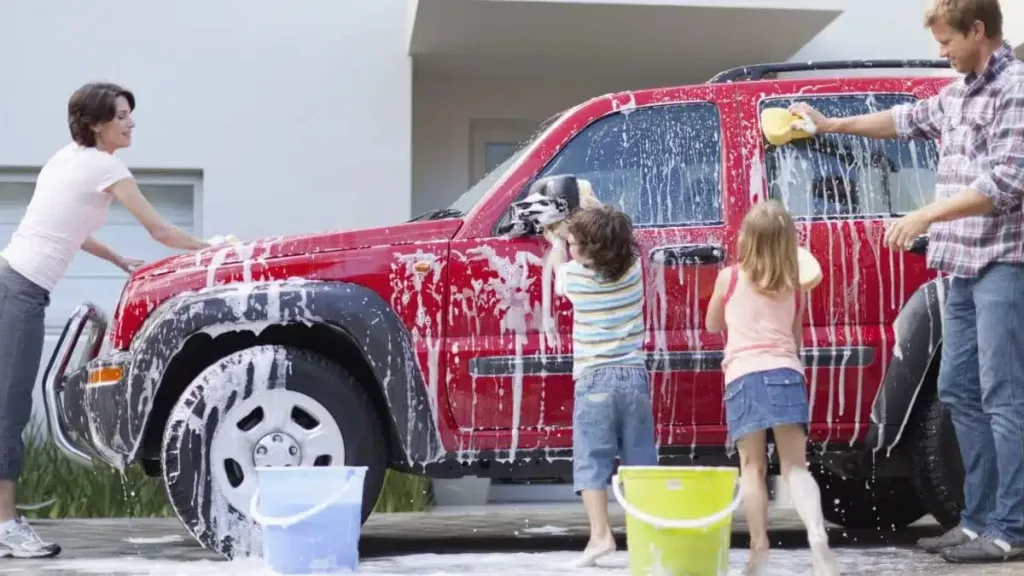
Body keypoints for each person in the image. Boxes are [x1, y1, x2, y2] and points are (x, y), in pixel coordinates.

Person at [788, 0, 1024, 563]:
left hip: (1002, 264)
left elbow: (1009, 183)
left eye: (947, 42)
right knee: (959, 394)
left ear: (977, 31)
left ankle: (1010, 529)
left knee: (1003, 398)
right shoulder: (960, 90)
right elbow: (904, 120)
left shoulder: (1014, 89)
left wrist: (923, 216)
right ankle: (974, 522)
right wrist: (830, 124)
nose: (940, 53)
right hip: (960, 266)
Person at [0, 82, 209, 558]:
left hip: (10, 280)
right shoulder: (106, 166)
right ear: (95, 123)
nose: (130, 122)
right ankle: (6, 526)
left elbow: (63, 225)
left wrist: (116, 258)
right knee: (9, 408)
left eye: (130, 113)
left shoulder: (66, 158)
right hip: (19, 292)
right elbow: (159, 228)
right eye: (120, 115)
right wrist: (214, 248)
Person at [705, 200, 838, 576]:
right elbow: (793, 339)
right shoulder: (795, 286)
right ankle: (816, 534)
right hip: (786, 373)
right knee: (796, 467)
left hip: (744, 376)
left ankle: (759, 546)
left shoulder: (729, 278)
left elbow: (713, 324)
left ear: (746, 239)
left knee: (752, 467)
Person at [548, 205, 657, 568]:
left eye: (574, 241)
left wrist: (555, 243)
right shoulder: (634, 271)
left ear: (587, 251)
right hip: (633, 378)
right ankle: (645, 538)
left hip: (594, 379)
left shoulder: (575, 279)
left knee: (592, 460)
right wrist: (590, 216)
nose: (569, 242)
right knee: (640, 460)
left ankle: (600, 535)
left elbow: (558, 266)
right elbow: (612, 234)